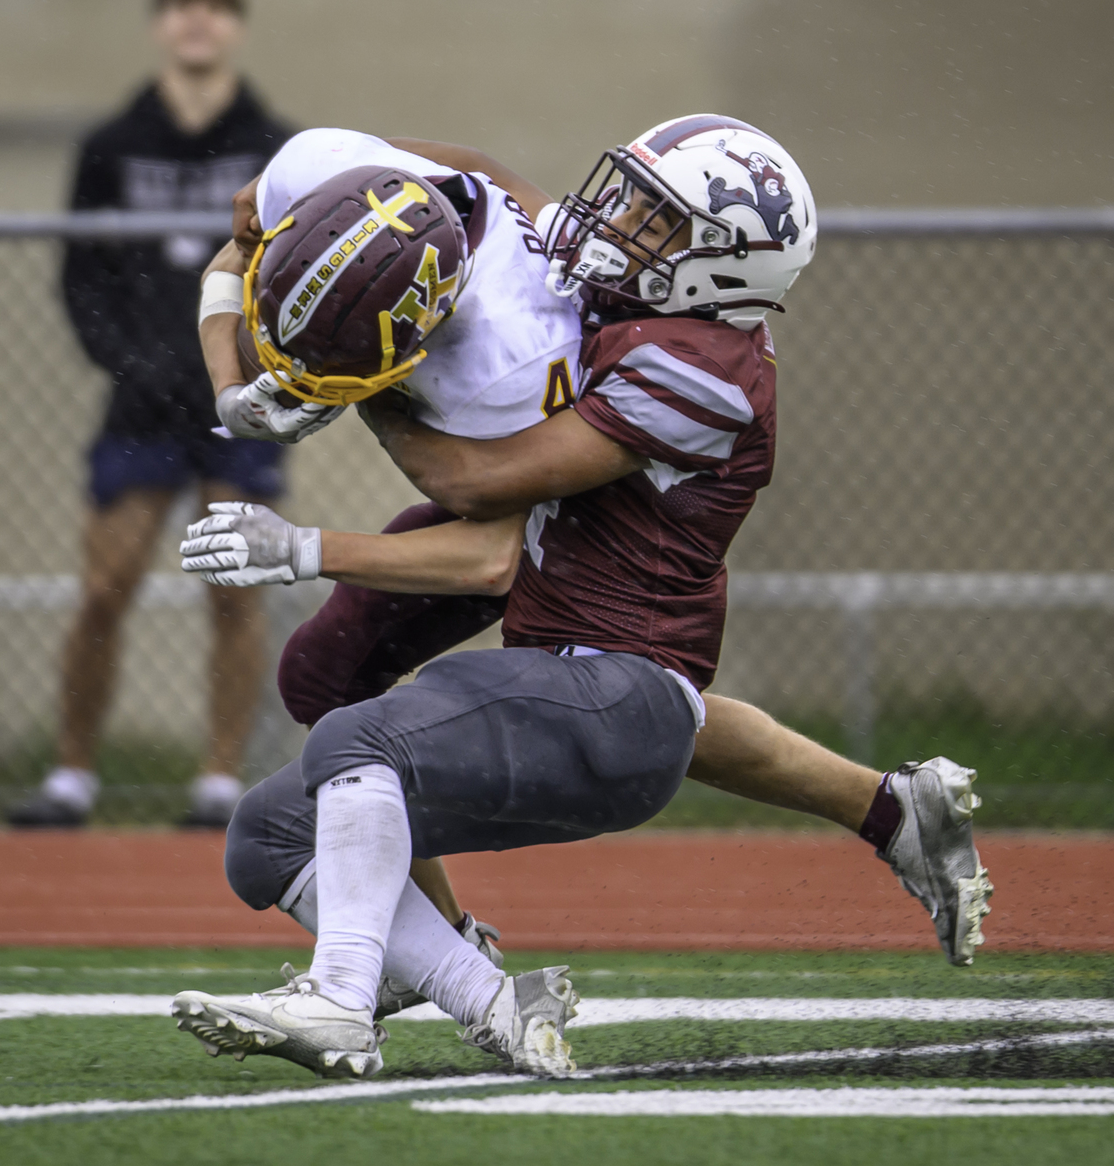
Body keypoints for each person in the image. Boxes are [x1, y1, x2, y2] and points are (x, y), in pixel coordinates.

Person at [167, 116, 991, 1080]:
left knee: (364, 739)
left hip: (616, 679)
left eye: (655, 218)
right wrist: (397, 209)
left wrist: (361, 376)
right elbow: (474, 178)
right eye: (633, 194)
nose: (619, 219)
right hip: (575, 650)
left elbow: (484, 498)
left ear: (717, 270)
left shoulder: (700, 372)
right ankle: (478, 987)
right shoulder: (608, 282)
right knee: (274, 814)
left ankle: (342, 994)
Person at [9, 0, 294, 829]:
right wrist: (130, 361)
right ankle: (71, 778)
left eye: (214, 9)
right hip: (138, 405)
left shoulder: (277, 147)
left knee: (235, 591)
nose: (197, 23)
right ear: (162, 26)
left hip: (238, 402)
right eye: (183, 8)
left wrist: (254, 366)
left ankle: (216, 782)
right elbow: (80, 276)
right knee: (104, 587)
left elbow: (300, 270)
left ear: (234, 28)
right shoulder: (111, 144)